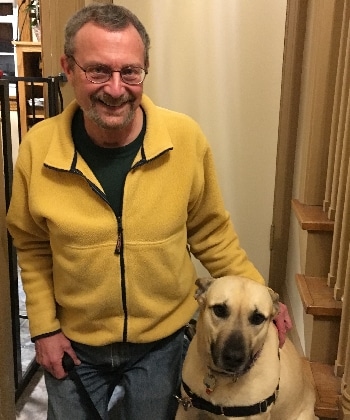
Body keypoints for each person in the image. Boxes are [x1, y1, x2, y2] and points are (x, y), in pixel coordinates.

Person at [6, 4, 291, 420]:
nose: (116, 88)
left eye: (130, 71)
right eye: (98, 71)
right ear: (68, 68)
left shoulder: (185, 139)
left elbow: (212, 234)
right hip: (74, 344)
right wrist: (45, 328)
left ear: (146, 69)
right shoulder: (37, 149)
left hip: (163, 346)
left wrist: (262, 298)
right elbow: (31, 246)